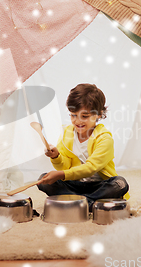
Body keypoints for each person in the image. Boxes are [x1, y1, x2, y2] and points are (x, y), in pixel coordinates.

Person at [37, 83, 129, 211]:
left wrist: (60, 174)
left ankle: (76, 201)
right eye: (73, 115)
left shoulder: (104, 138)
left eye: (84, 116)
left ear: (98, 114)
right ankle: (89, 202)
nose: (78, 121)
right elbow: (64, 166)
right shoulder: (66, 134)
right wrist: (56, 156)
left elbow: (90, 168)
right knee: (43, 179)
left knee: (120, 184)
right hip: (73, 184)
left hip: (97, 185)